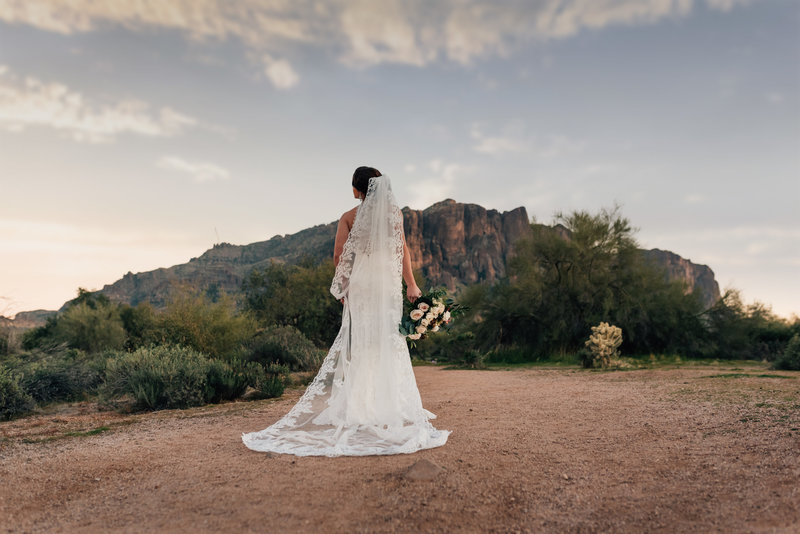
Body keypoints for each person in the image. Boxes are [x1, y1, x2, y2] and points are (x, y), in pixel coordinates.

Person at [241, 166, 451, 457]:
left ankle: (360, 404)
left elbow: (340, 255)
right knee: (389, 340)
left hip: (363, 288)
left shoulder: (349, 218)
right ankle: (389, 402)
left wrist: (343, 289)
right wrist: (411, 286)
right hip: (386, 287)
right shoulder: (394, 215)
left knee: (362, 342)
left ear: (358, 189)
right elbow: (402, 250)